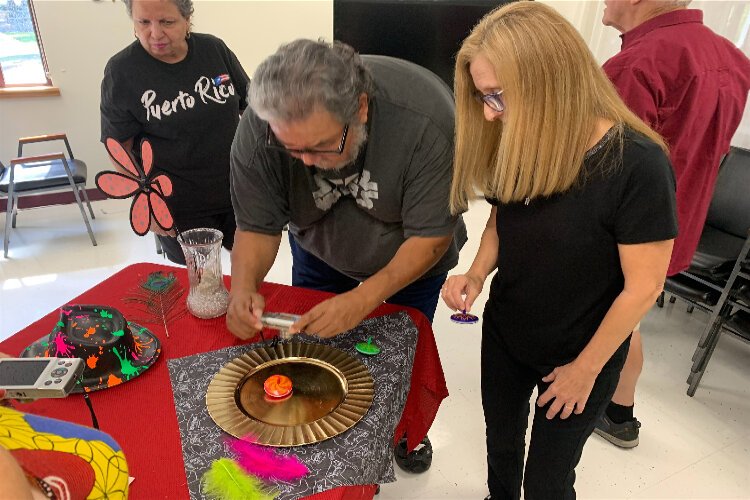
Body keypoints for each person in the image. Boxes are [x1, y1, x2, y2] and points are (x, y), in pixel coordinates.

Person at [442, 3, 678, 498]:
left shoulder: (637, 165)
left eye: (497, 96)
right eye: (484, 97)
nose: (489, 112)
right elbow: (504, 218)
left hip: (580, 352)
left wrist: (584, 371)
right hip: (508, 333)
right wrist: (477, 273)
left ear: (549, 80)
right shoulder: (523, 139)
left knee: (549, 481)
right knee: (501, 446)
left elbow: (644, 287)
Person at [227, 39, 466, 472]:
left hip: (409, 260)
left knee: (400, 356)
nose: (305, 164)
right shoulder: (260, 127)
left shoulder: (427, 119)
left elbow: (430, 238)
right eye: (291, 149)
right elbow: (257, 226)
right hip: (320, 247)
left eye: (319, 146)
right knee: (315, 349)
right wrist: (243, 288)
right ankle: (323, 429)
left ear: (360, 108)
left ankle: (407, 429)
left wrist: (361, 301)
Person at [597, 0, 750, 448]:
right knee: (631, 319)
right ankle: (619, 411)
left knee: (615, 321)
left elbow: (607, 170)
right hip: (675, 227)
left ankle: (610, 409)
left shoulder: (636, 65)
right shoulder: (731, 58)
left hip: (623, 233)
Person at [100, 0, 249, 264]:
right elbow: (119, 149)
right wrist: (146, 202)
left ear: (187, 18)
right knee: (201, 283)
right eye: (143, 22)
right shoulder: (122, 71)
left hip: (237, 190)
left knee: (249, 271)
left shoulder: (214, 50)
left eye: (167, 22)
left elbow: (251, 110)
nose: (155, 34)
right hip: (178, 202)